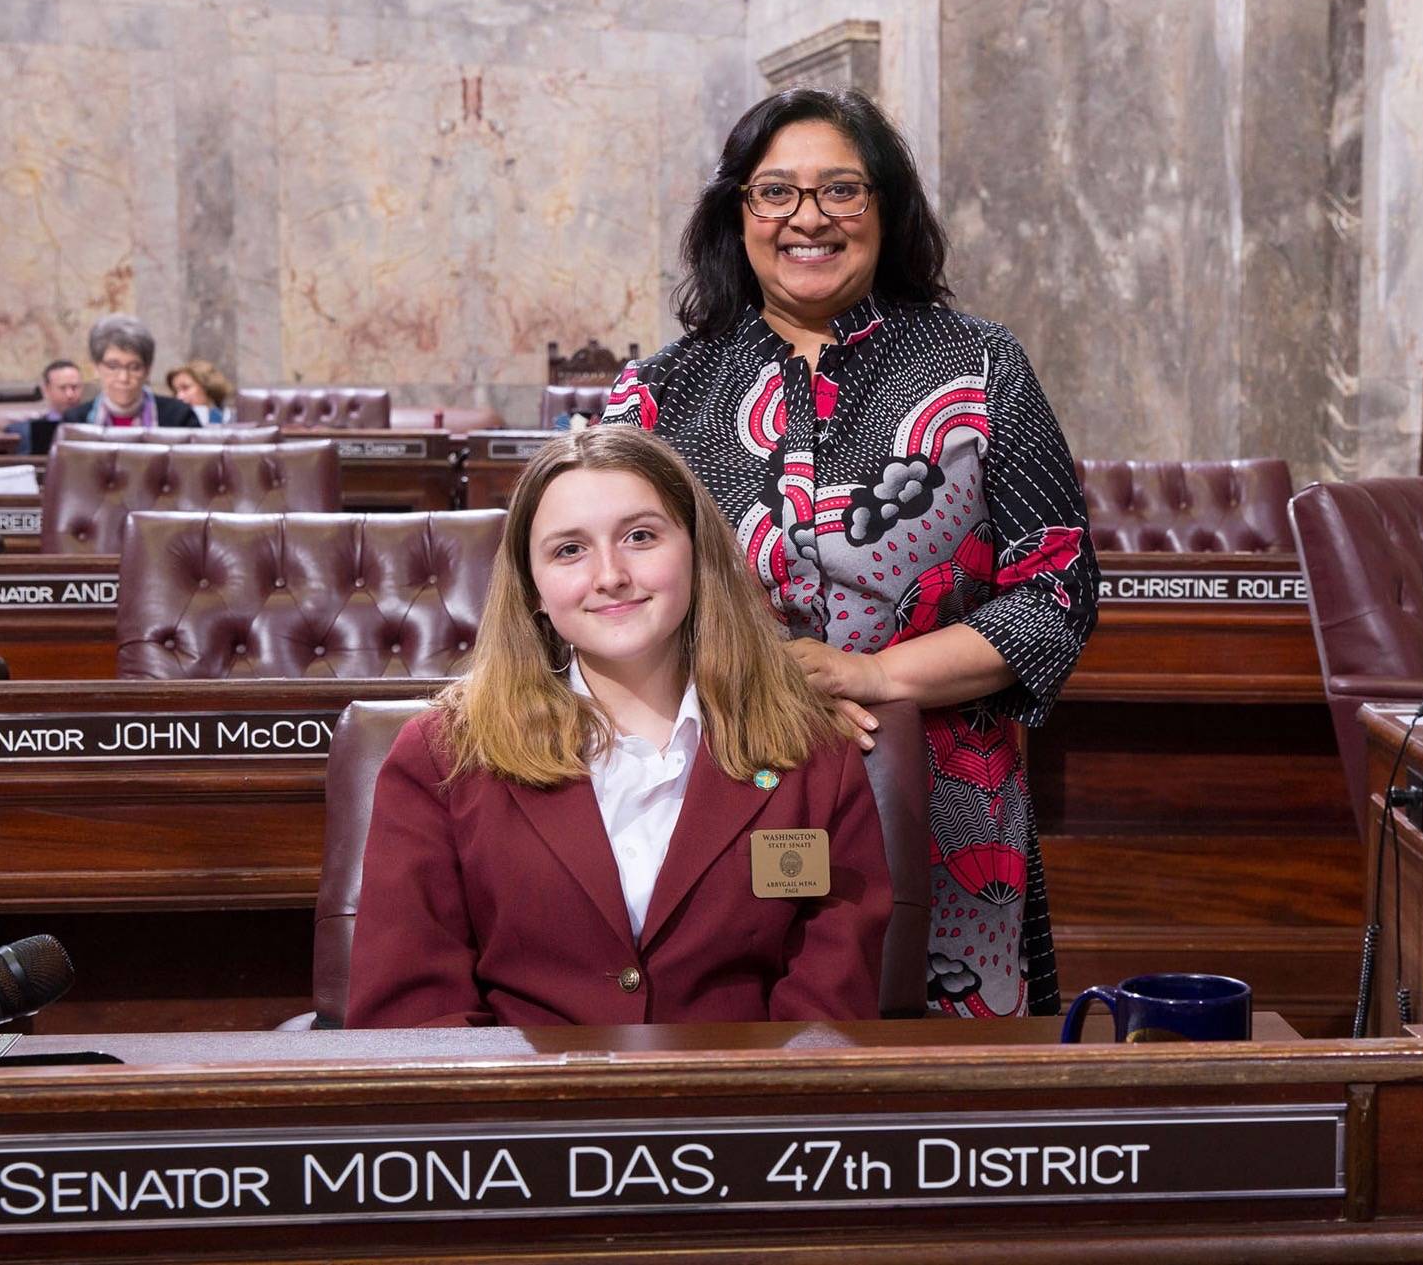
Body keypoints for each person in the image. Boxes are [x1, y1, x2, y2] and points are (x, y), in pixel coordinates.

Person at [604, 88, 1099, 1018]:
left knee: (937, 1105)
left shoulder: (980, 365)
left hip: (947, 800)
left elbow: (1058, 594)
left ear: (887, 207)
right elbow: (604, 585)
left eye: (842, 190)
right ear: (737, 213)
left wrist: (873, 675)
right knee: (725, 1072)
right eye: (775, 192)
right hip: (710, 784)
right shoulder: (658, 392)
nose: (808, 218)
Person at [345, 426, 890, 1028]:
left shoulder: (815, 752)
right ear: (532, 587)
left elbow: (827, 1013)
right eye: (569, 550)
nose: (610, 575)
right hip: (520, 1113)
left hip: (739, 1114)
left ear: (696, 552)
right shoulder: (440, 757)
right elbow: (414, 1017)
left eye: (640, 536)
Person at [63, 314, 202, 429]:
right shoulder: (74, 422)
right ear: (96, 367)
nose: (124, 378)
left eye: (135, 367)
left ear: (148, 370)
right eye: (113, 366)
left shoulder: (180, 417)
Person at [164, 360, 235, 425]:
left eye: (186, 388)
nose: (179, 396)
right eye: (176, 391)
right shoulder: (172, 424)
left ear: (206, 386)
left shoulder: (231, 420)